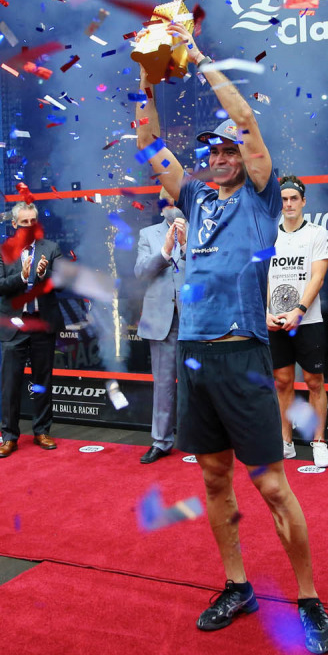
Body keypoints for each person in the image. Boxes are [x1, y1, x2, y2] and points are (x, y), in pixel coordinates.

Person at [132, 22, 328, 655]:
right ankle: (237, 585)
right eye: (213, 151)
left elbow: (245, 119)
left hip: (244, 354)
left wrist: (195, 56)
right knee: (215, 482)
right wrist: (146, 79)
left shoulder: (263, 196)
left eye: (229, 150)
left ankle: (308, 599)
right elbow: (148, 144)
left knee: (271, 486)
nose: (220, 156)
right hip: (195, 356)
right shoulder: (194, 197)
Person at [267, 176, 328, 467]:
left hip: (308, 321)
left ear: (303, 201)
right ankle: (286, 441)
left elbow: (318, 277)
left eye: (294, 198)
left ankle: (319, 442)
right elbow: (262, 276)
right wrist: (266, 311)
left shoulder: (316, 233)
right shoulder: (269, 234)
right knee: (282, 382)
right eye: (284, 199)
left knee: (313, 381)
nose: (289, 204)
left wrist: (300, 310)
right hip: (275, 322)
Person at [0, 202, 62, 458]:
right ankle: (9, 436)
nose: (29, 226)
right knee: (10, 384)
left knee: (43, 381)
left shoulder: (51, 248)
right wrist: (22, 276)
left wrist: (43, 274)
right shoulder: (1, 251)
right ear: (14, 224)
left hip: (42, 323)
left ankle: (42, 431)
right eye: (24, 223)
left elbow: (62, 282)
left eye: (33, 222)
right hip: (13, 327)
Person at [134, 189, 187, 464]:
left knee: (200, 383)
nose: (172, 206)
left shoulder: (202, 231)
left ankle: (201, 439)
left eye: (176, 201)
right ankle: (161, 441)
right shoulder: (148, 234)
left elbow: (210, 271)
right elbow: (141, 272)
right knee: (164, 384)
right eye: (168, 202)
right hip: (162, 320)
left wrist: (186, 246)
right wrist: (165, 252)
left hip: (196, 319)